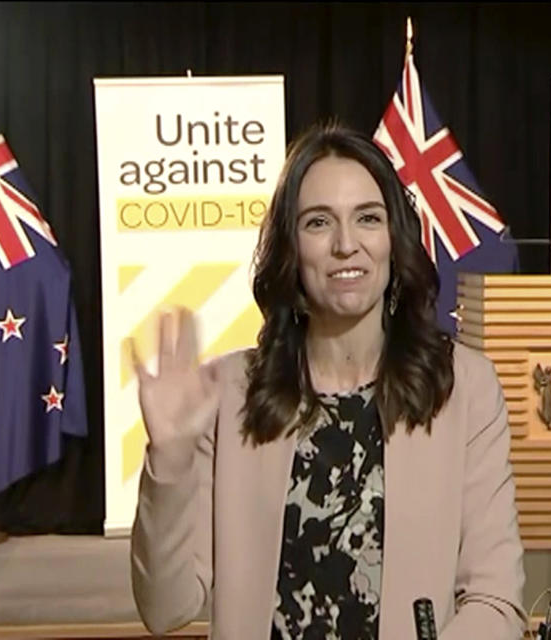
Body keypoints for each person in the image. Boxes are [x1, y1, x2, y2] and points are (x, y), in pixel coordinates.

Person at [130, 122, 527, 640]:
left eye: (368, 218)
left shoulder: (464, 388)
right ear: (291, 249)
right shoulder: (229, 393)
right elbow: (166, 609)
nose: (346, 245)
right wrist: (171, 458)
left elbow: (496, 602)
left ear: (393, 238)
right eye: (319, 222)